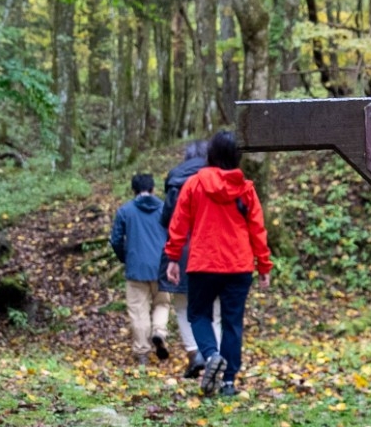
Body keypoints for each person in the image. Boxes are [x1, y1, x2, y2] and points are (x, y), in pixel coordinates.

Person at [162, 130, 272, 397]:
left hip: (204, 263)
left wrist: (173, 257)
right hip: (239, 265)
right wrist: (264, 266)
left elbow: (179, 224)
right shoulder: (245, 189)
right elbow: (257, 229)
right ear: (237, 156)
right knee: (232, 322)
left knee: (198, 314)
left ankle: (211, 355)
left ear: (211, 154)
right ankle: (229, 382)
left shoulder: (195, 184)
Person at [108, 173, 172, 361]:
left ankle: (142, 352)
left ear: (134, 190)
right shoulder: (164, 209)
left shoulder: (125, 211)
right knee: (162, 303)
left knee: (138, 310)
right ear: (153, 189)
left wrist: (125, 257)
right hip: (161, 266)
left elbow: (116, 240)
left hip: (136, 268)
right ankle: (159, 332)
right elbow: (174, 235)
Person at [159, 139, 209, 379]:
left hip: (181, 250)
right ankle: (212, 355)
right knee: (213, 306)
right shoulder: (216, 179)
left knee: (182, 305)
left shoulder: (176, 182)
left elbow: (167, 218)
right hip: (211, 249)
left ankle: (194, 352)